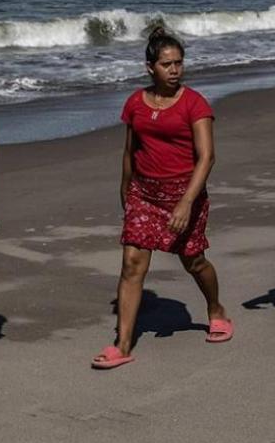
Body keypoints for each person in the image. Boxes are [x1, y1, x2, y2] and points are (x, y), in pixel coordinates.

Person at [94, 26, 227, 369]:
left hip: (185, 194)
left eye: (179, 63)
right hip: (144, 193)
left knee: (193, 261)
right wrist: (125, 188)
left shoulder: (194, 103)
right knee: (131, 265)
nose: (175, 70)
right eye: (167, 64)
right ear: (150, 67)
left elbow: (207, 157)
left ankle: (215, 308)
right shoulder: (136, 102)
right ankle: (122, 344)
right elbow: (130, 150)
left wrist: (185, 202)